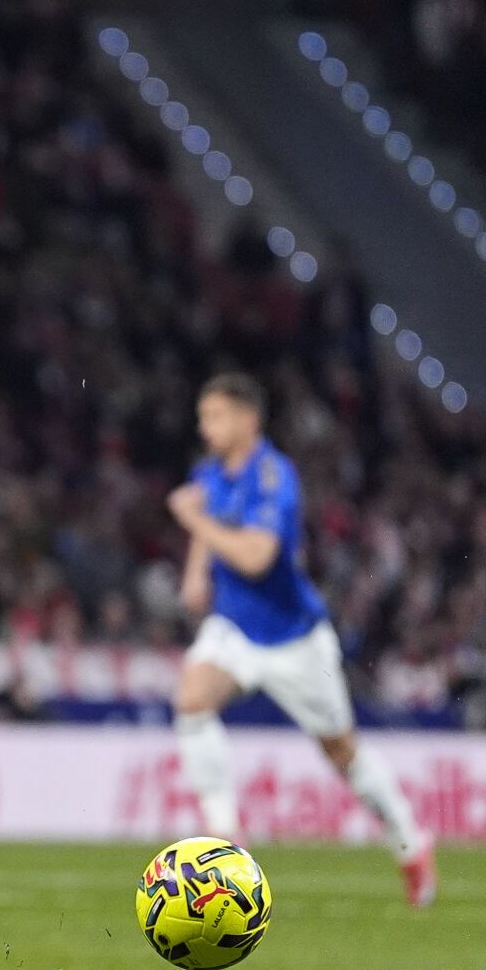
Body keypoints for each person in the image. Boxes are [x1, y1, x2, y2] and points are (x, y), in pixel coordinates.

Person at [168, 373, 436, 906]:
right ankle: (224, 839)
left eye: (215, 416)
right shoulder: (209, 474)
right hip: (235, 629)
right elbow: (209, 529)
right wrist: (195, 573)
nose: (205, 427)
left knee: (341, 751)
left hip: (295, 639)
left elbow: (255, 557)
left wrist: (194, 521)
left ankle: (410, 840)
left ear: (249, 420)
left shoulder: (274, 477)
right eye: (203, 417)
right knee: (191, 700)